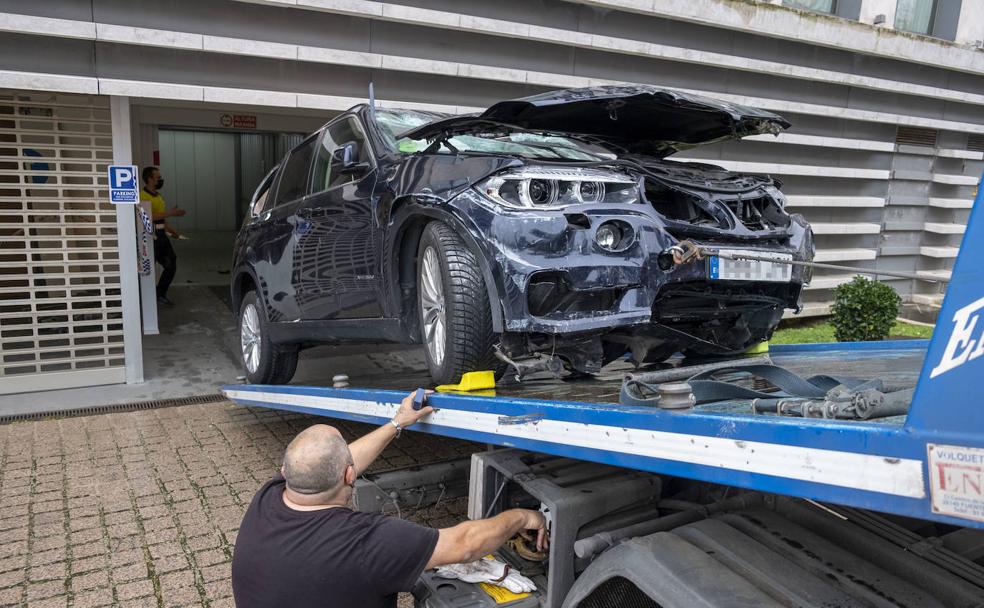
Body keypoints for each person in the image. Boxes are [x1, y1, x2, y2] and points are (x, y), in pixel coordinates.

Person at [231, 391, 549, 608]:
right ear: (349, 476)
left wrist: (397, 423)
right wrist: (523, 517)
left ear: (285, 470)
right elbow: (464, 544)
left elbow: (330, 464)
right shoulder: (367, 540)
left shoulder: (269, 496)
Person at [140, 166, 185, 305]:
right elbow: (147, 217)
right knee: (147, 267)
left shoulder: (158, 196)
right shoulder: (143, 196)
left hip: (161, 235)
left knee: (171, 263)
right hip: (149, 236)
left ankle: (160, 294)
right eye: (158, 178)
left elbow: (161, 219)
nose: (160, 180)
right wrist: (171, 213)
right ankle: (141, 298)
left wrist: (173, 231)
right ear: (149, 179)